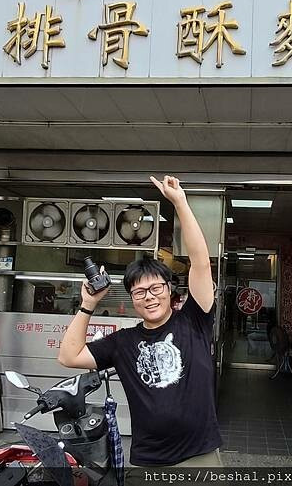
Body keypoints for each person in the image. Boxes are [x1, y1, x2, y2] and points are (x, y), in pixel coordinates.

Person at [58, 175, 222, 467]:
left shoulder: (195, 321)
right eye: (139, 292)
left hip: (201, 456)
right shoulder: (123, 342)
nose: (149, 297)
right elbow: (69, 356)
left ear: (169, 289)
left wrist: (180, 202)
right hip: (149, 459)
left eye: (156, 288)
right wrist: (88, 304)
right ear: (132, 300)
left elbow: (201, 261)